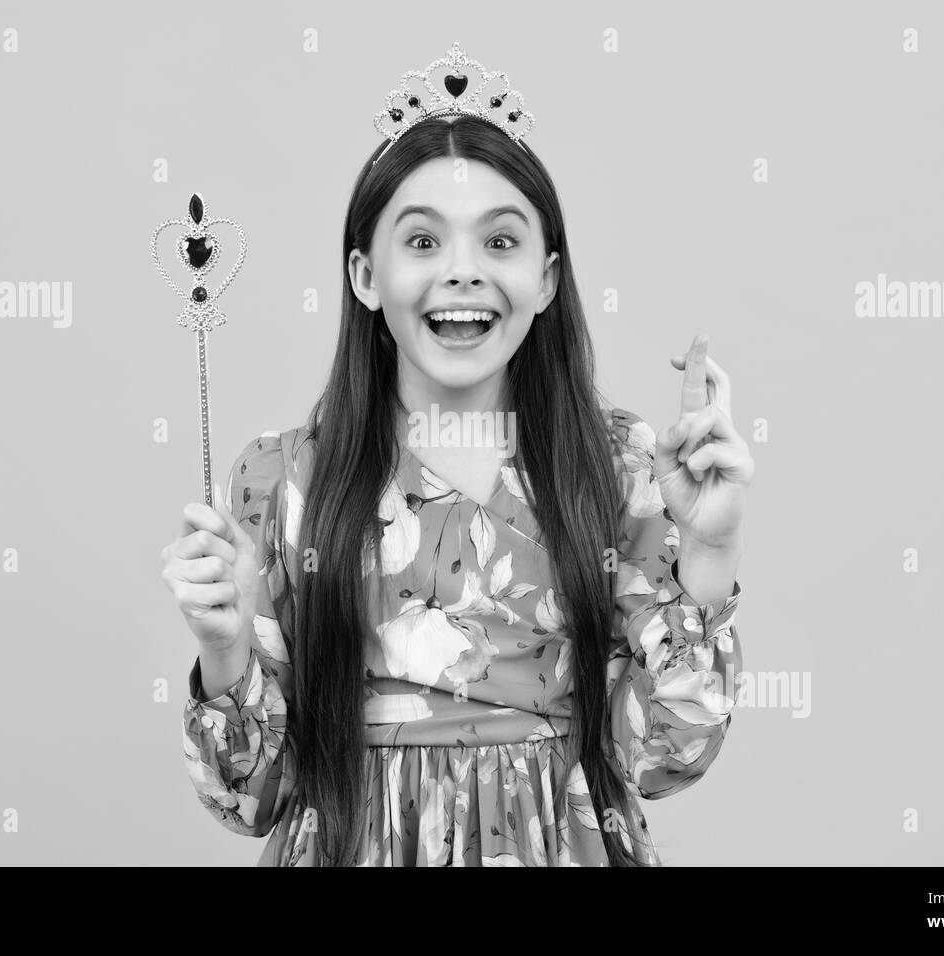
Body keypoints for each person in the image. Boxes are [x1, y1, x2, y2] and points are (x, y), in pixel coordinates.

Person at [160, 48, 754, 866]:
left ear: (546, 281)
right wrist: (223, 651)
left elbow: (659, 760)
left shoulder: (622, 470)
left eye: (500, 241)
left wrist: (711, 554)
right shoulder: (285, 481)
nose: (464, 272)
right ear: (366, 276)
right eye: (424, 241)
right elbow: (252, 797)